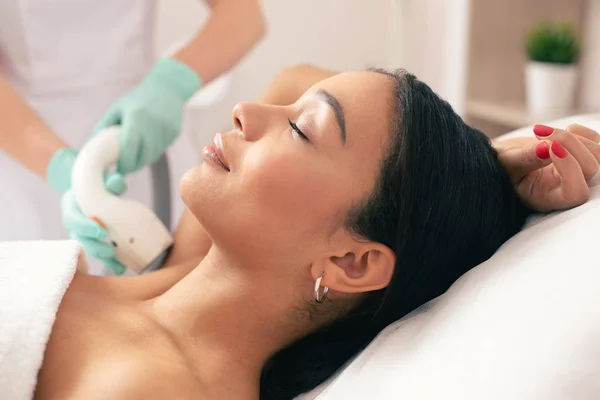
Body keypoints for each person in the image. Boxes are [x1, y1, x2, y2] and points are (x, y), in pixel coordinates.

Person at [33, 65, 598, 399]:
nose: (246, 111)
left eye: (301, 129)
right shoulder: (178, 274)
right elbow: (300, 76)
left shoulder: (151, 386)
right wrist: (482, 168)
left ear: (352, 262)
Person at [0, 0, 266, 274]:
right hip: (28, 152)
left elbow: (245, 16)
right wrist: (68, 172)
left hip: (148, 128)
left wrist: (171, 83)